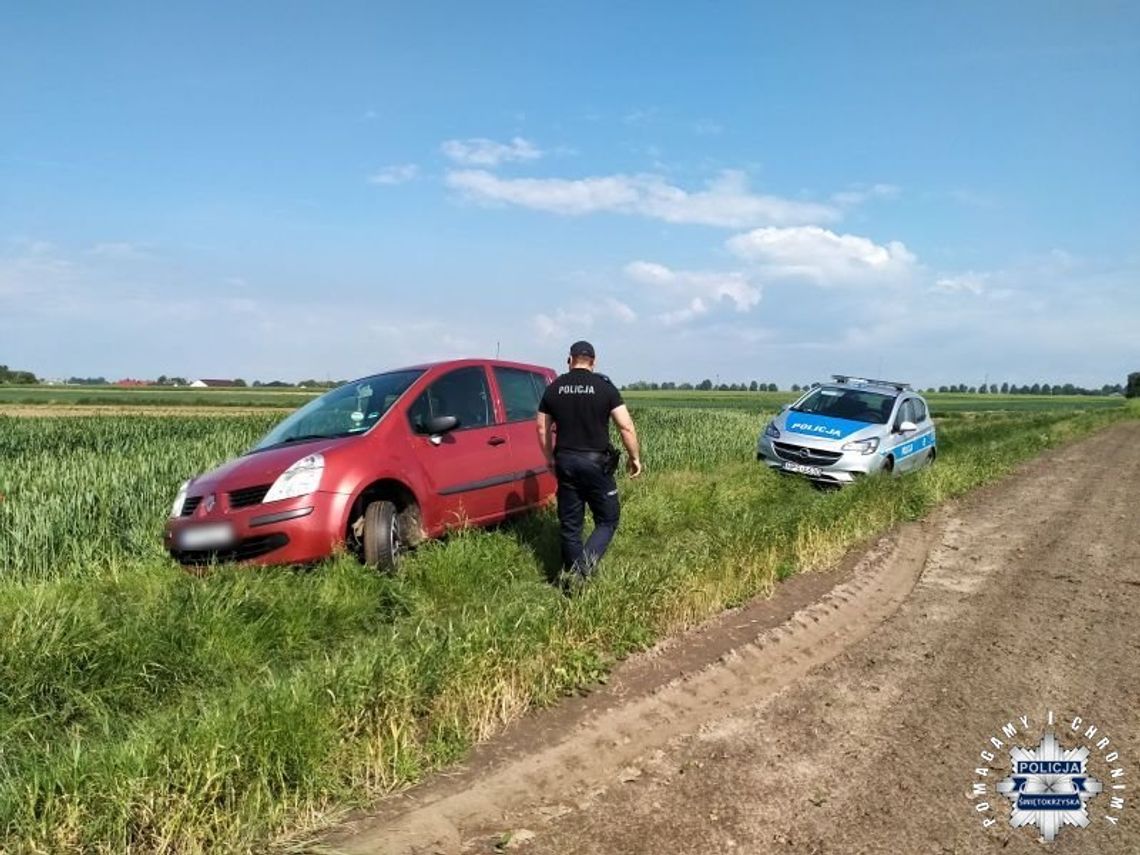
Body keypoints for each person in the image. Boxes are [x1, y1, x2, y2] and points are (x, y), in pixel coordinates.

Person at [535, 340, 642, 580]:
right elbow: (625, 427)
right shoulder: (604, 387)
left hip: (566, 462)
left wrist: (549, 459)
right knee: (608, 519)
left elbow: (541, 428)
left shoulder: (555, 387)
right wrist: (634, 457)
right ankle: (582, 570)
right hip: (596, 465)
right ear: (593, 362)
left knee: (570, 527)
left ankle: (574, 579)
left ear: (569, 360)